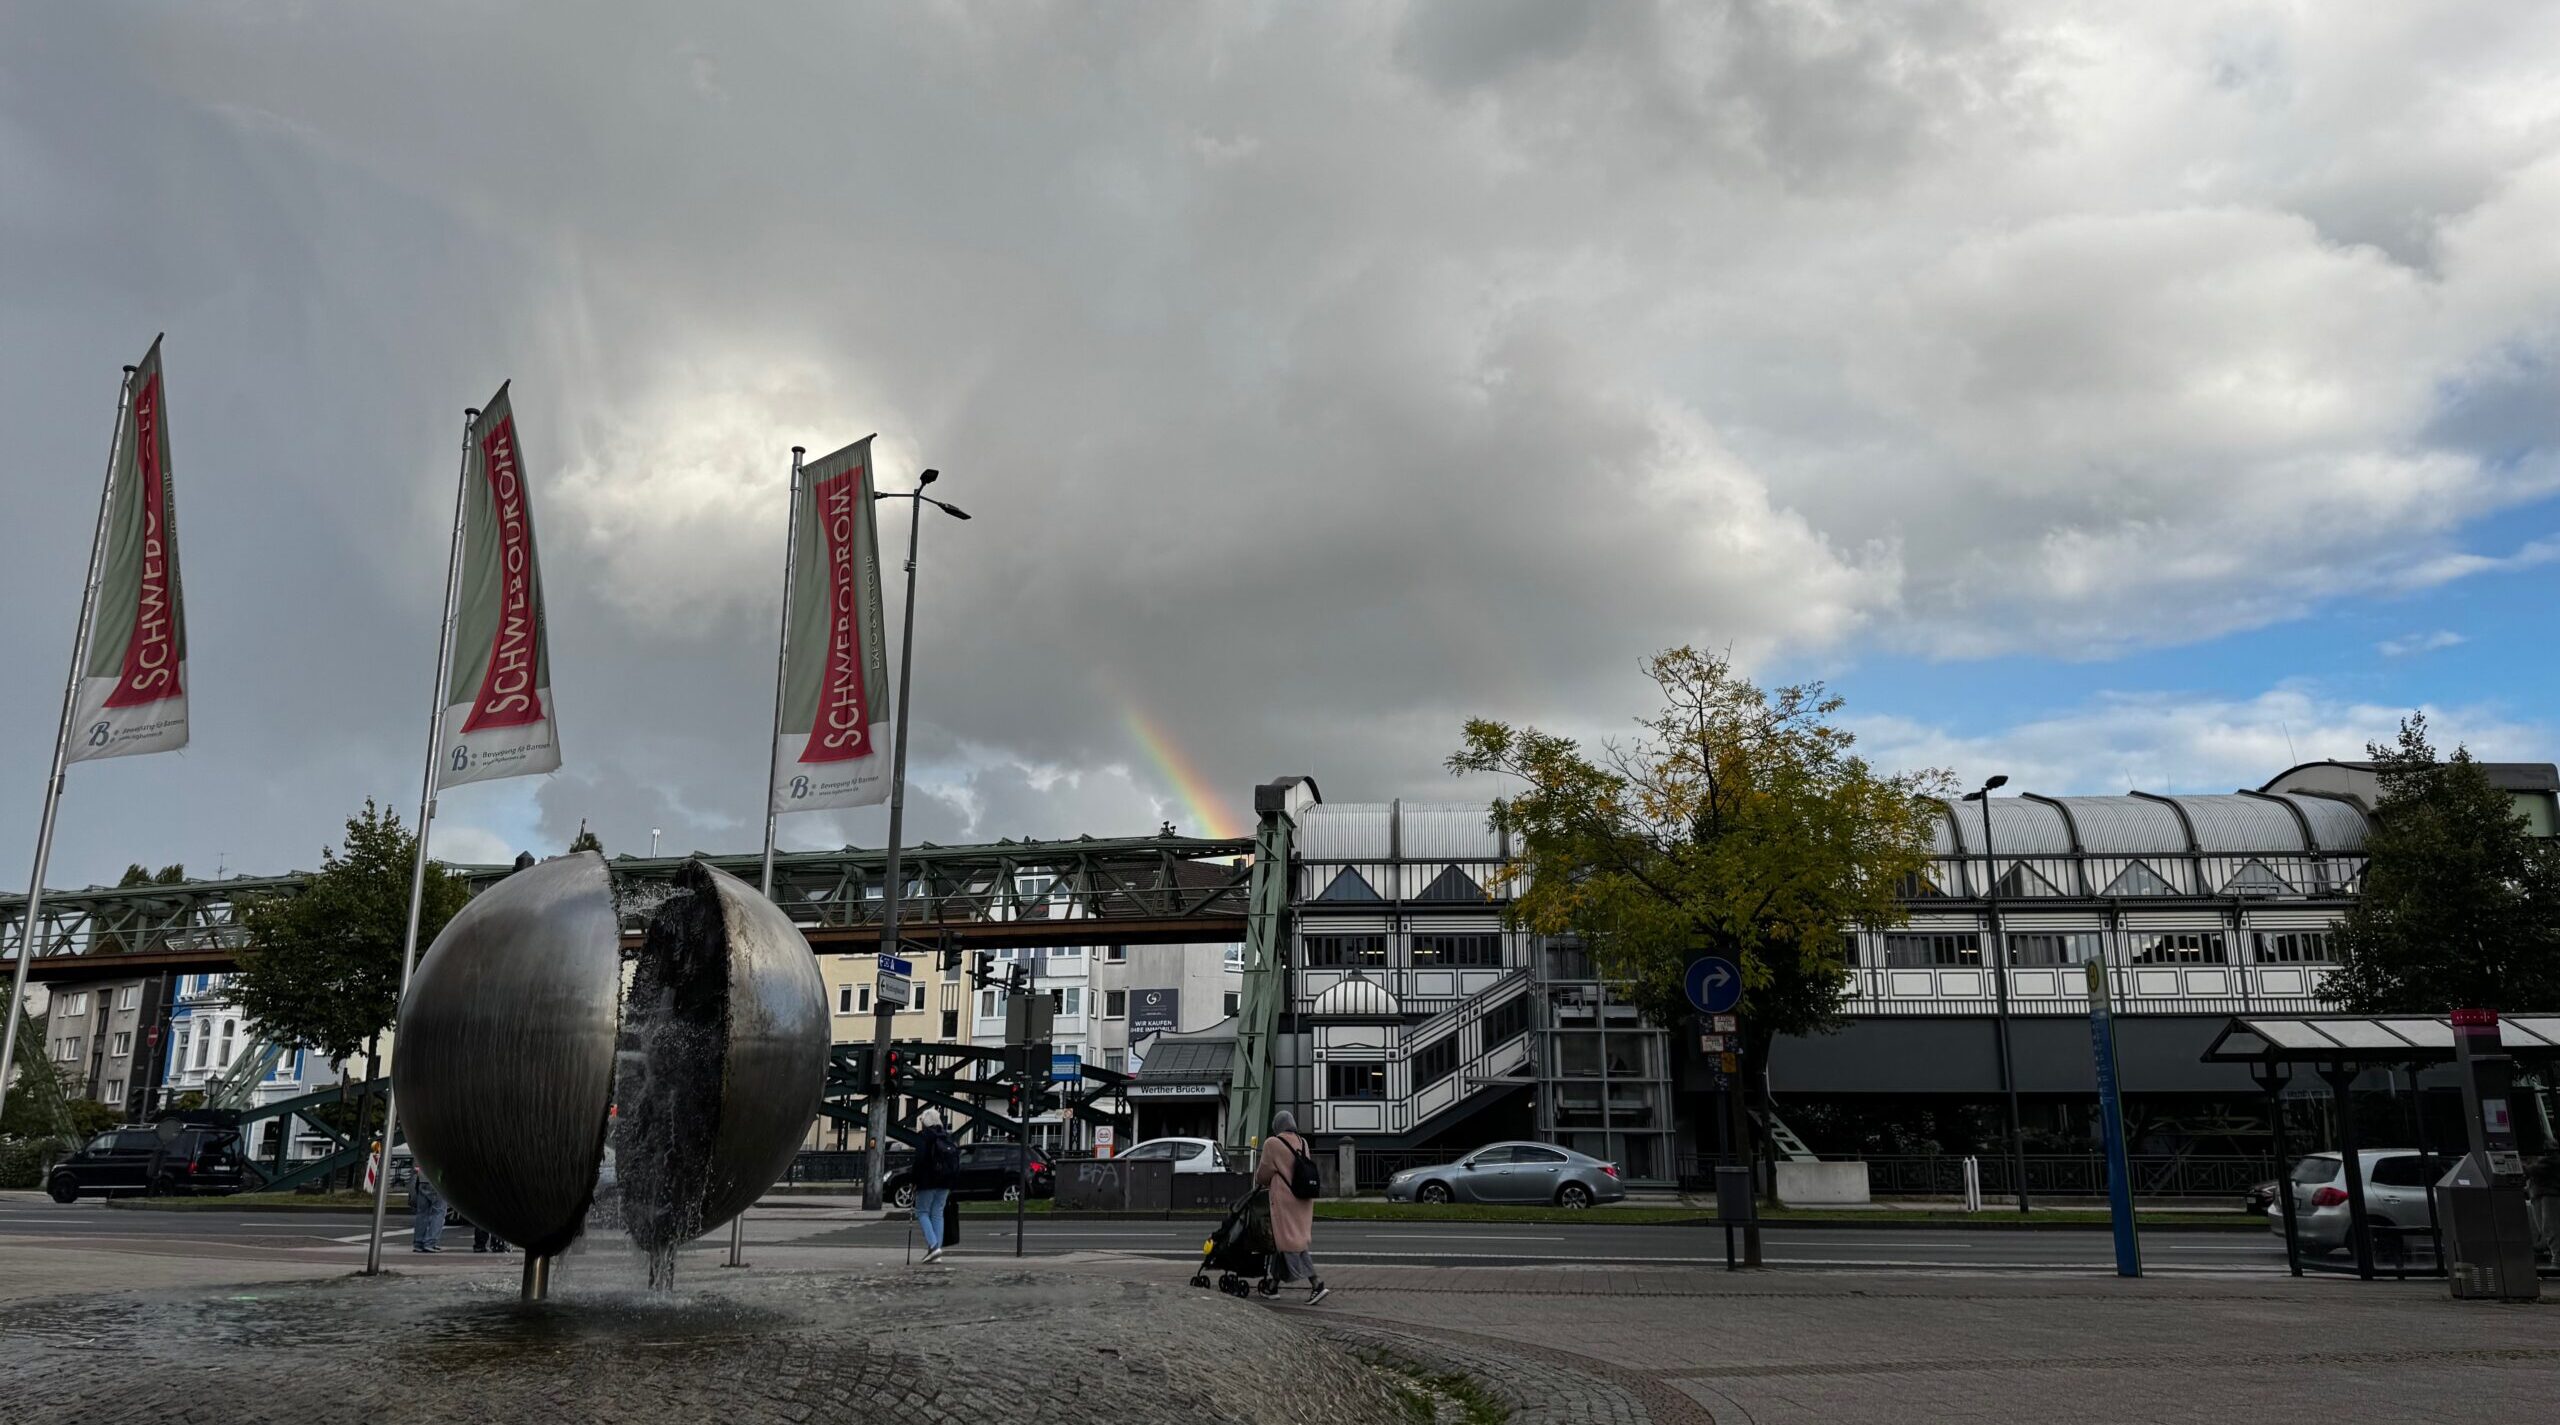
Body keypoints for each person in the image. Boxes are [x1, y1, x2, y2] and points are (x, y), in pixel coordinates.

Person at [1254, 1110, 1326, 1303]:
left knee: (1290, 1244)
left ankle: (1316, 1283)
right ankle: (1272, 1286)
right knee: (1289, 1241)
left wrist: (1262, 1180)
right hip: (1304, 1198)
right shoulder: (1303, 1142)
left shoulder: (1272, 1143)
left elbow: (1263, 1174)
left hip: (1285, 1200)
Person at [914, 1109, 960, 1264]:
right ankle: (937, 1250)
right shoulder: (946, 1137)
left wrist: (914, 1180)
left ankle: (933, 1247)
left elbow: (919, 1161)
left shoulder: (925, 1137)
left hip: (928, 1181)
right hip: (946, 1181)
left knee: (921, 1212)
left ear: (925, 1122)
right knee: (937, 1213)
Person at [409, 1167, 446, 1254]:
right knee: (439, 1212)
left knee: (422, 1213)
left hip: (422, 1180)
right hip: (437, 1181)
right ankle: (430, 1243)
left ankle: (418, 1243)